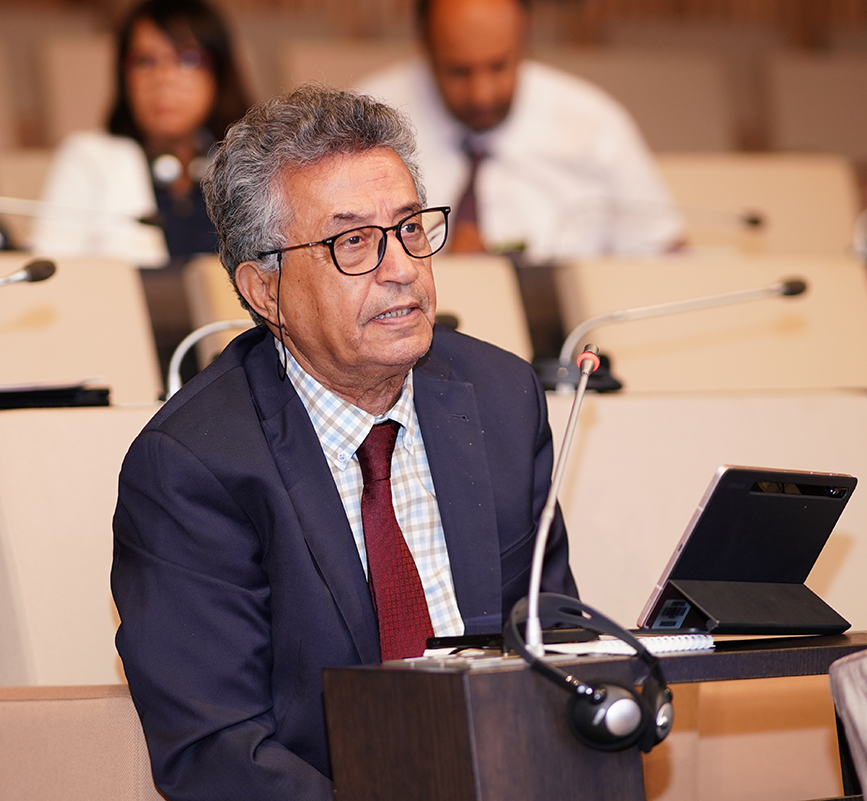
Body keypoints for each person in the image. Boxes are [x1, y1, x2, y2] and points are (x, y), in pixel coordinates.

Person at [111, 83, 577, 800]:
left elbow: (556, 643)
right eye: (353, 241)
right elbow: (218, 751)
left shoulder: (501, 399)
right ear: (265, 291)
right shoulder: (193, 466)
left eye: (410, 228)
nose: (402, 268)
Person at [358, 0, 683, 261]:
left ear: (525, 39)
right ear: (425, 47)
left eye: (499, 66)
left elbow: (664, 253)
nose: (482, 94)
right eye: (458, 71)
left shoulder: (593, 123)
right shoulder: (366, 124)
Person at [33, 0, 250, 266]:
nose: (163, 78)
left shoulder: (246, 166)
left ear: (219, 73)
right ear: (125, 76)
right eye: (145, 61)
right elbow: (52, 274)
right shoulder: (89, 159)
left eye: (187, 59)